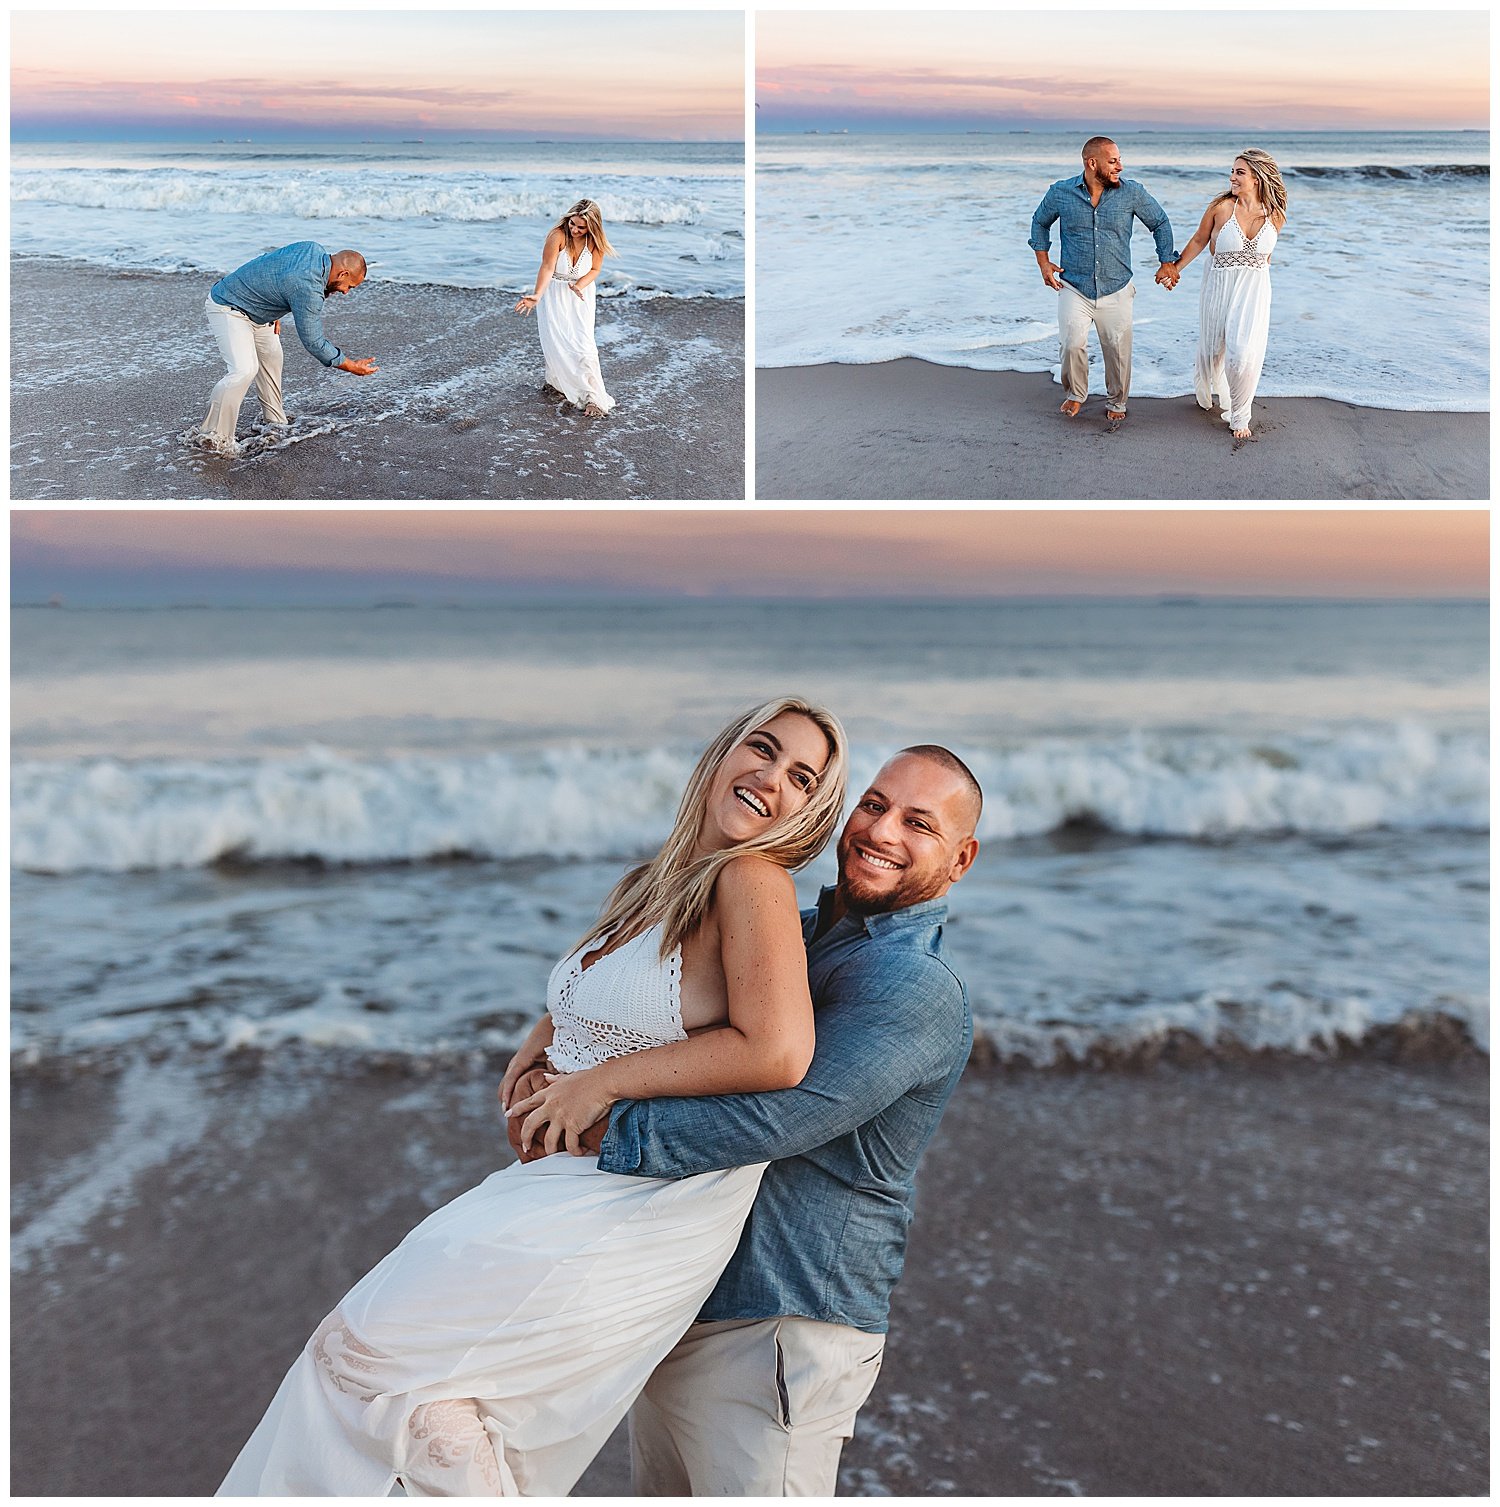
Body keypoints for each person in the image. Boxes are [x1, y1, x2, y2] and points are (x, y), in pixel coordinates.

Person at [217, 697, 848, 1496]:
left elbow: (779, 1049)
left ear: (811, 810)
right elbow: (634, 992)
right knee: (381, 1378)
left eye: (801, 777)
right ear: (723, 752)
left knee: (384, 1375)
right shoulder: (652, 880)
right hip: (558, 1185)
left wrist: (598, 1081)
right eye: (761, 748)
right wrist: (543, 1038)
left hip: (640, 1205)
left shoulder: (751, 879)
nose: (770, 778)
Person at [509, 744, 984, 1495]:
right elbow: (653, 990)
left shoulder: (915, 988)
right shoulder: (789, 932)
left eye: (918, 822)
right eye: (873, 804)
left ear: (960, 859)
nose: (882, 829)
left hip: (783, 1325)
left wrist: (591, 1126)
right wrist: (547, 1041)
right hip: (684, 1298)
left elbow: (777, 1115)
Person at [1029, 136, 1179, 423]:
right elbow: (1040, 221)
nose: (1120, 166)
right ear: (1092, 163)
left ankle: (1117, 401)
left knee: (1117, 351)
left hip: (1117, 287)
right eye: (1113, 161)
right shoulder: (1061, 192)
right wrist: (1043, 262)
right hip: (1075, 286)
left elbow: (1159, 221)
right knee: (1072, 344)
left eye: (1119, 160)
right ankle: (1075, 395)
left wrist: (1167, 260)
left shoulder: (1132, 193)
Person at [199, 242, 378, 454]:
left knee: (273, 358)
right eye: (349, 286)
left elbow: (271, 260)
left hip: (260, 312)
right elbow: (313, 341)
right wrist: (351, 366)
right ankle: (213, 437)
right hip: (228, 306)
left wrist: (272, 304)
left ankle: (276, 424)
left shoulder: (313, 249)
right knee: (243, 371)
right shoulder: (308, 288)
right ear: (343, 273)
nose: (346, 292)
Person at [1174, 150, 1290, 441]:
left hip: (1254, 292)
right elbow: (1200, 239)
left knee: (1242, 356)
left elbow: (1267, 258)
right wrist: (1174, 269)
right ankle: (1205, 386)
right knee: (1213, 351)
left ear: (1258, 177)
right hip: (1219, 286)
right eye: (1233, 171)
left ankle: (1240, 415)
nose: (1232, 177)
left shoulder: (1276, 215)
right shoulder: (1222, 208)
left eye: (1240, 172)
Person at [513, 199, 616, 416]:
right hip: (553, 294)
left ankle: (593, 398)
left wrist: (580, 285)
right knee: (557, 341)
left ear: (592, 226)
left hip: (581, 295)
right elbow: (548, 266)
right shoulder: (557, 236)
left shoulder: (595, 242)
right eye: (572, 224)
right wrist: (537, 295)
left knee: (584, 345)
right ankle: (556, 383)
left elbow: (595, 269)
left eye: (581, 227)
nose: (575, 229)